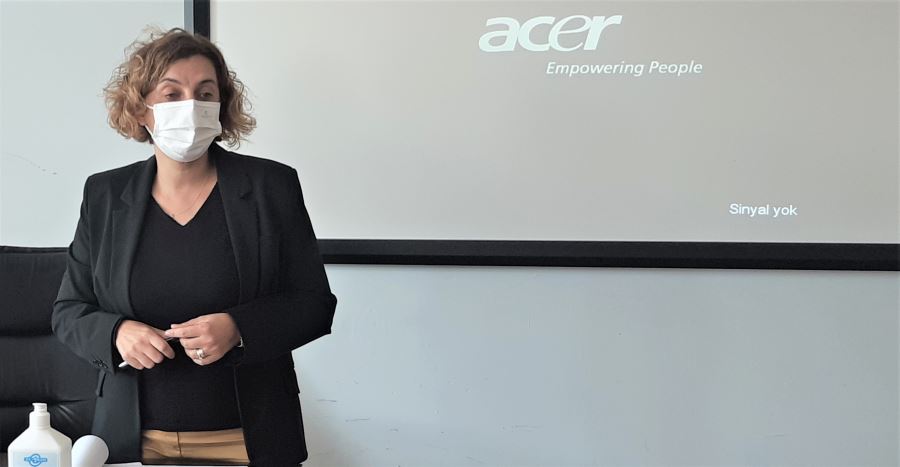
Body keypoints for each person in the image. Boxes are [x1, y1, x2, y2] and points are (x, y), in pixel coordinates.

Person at [51, 27, 337, 466]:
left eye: (205, 93)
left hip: (248, 437)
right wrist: (116, 333)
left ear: (221, 105)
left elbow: (314, 303)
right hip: (133, 439)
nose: (191, 106)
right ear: (141, 109)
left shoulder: (271, 186)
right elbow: (69, 310)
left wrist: (238, 327)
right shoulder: (105, 195)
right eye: (172, 94)